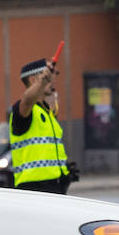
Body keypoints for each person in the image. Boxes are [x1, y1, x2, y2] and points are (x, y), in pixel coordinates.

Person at [9, 58, 75, 193]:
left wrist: (63, 171)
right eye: (48, 78)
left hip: (53, 188)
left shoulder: (47, 112)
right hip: (33, 190)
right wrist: (42, 82)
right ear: (34, 80)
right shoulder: (24, 109)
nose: (52, 82)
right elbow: (27, 100)